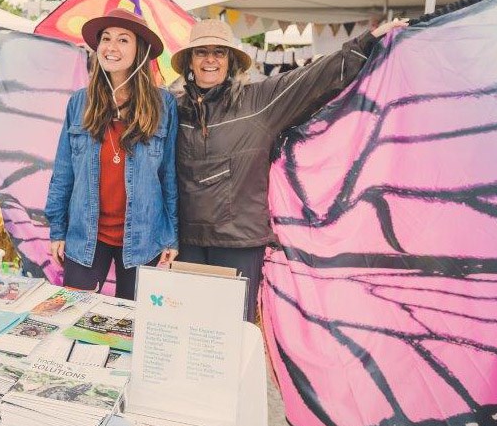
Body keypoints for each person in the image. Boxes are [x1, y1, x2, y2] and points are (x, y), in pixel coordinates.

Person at [171, 18, 407, 322]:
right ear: (190, 60)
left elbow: (313, 78)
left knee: (232, 329)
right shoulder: (172, 108)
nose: (210, 60)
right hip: (187, 240)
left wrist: (368, 41)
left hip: (239, 242)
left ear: (230, 61)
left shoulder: (259, 101)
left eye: (219, 52)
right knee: (187, 326)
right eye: (202, 52)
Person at [45, 8, 179, 300]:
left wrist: (171, 235)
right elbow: (63, 171)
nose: (111, 47)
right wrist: (57, 230)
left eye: (123, 40)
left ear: (140, 50)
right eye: (106, 39)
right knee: (73, 315)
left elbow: (169, 174)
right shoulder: (80, 102)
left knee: (133, 323)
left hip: (144, 237)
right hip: (85, 236)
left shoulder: (163, 104)